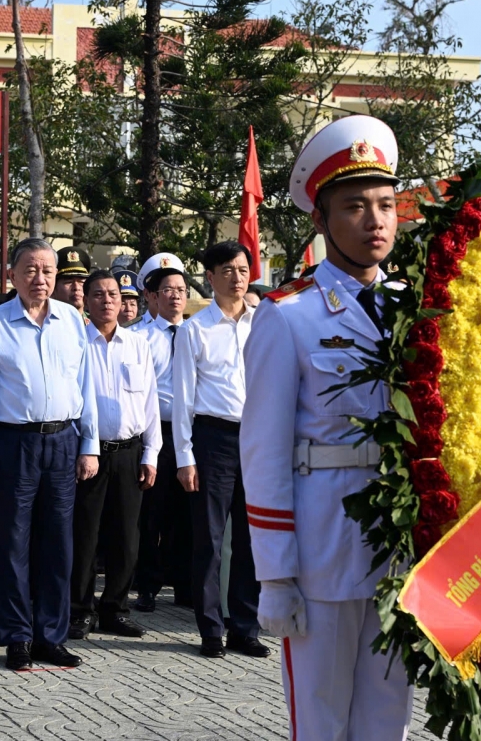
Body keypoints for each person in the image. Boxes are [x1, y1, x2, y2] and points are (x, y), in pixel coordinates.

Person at [242, 114, 412, 740]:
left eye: (386, 205)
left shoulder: (414, 308)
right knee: (321, 718)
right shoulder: (289, 316)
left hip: (397, 551)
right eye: (355, 207)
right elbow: (263, 450)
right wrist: (276, 573)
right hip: (322, 543)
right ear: (321, 220)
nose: (375, 221)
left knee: (386, 717)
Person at [0, 238, 99, 671]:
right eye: (30, 269)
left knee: (58, 544)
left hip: (63, 441)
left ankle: (51, 636)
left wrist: (90, 444)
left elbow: (86, 387)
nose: (39, 278)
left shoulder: (72, 321)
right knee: (11, 544)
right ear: (12, 275)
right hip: (14, 443)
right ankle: (17, 637)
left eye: (47, 270)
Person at [172, 240, 266, 659]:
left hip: (259, 439)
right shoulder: (196, 329)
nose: (237, 276)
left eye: (243, 268)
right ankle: (210, 628)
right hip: (214, 439)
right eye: (227, 269)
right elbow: (183, 401)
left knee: (252, 539)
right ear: (210, 277)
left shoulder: (262, 324)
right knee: (209, 540)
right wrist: (185, 457)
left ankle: (245, 627)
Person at [69, 270, 161, 640]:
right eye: (99, 294)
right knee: (85, 536)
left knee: (126, 536)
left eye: (113, 294)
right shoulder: (75, 343)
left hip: (129, 451)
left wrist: (151, 453)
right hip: (89, 454)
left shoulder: (138, 344)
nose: (107, 301)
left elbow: (150, 401)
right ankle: (79, 610)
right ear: (86, 301)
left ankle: (116, 608)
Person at [133, 253, 192, 612]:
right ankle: (147, 585)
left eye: (181, 289)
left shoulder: (196, 333)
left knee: (186, 513)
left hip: (190, 433)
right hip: (153, 435)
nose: (175, 296)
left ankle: (184, 584)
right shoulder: (139, 337)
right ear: (151, 295)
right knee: (150, 513)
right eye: (167, 290)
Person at [51, 245, 90, 316]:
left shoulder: (95, 323)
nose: (76, 287)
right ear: (54, 289)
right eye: (68, 282)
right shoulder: (46, 324)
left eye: (81, 282)